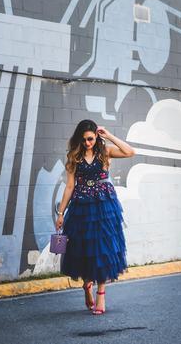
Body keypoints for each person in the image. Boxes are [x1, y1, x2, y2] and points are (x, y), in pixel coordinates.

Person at [55, 119, 135, 314]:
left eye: (90, 139)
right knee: (83, 249)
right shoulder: (74, 156)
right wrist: (60, 213)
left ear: (96, 137)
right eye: (83, 140)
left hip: (104, 207)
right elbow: (69, 187)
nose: (87, 143)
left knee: (103, 249)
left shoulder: (105, 151)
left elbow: (130, 152)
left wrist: (108, 136)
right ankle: (87, 285)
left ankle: (101, 294)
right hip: (81, 207)